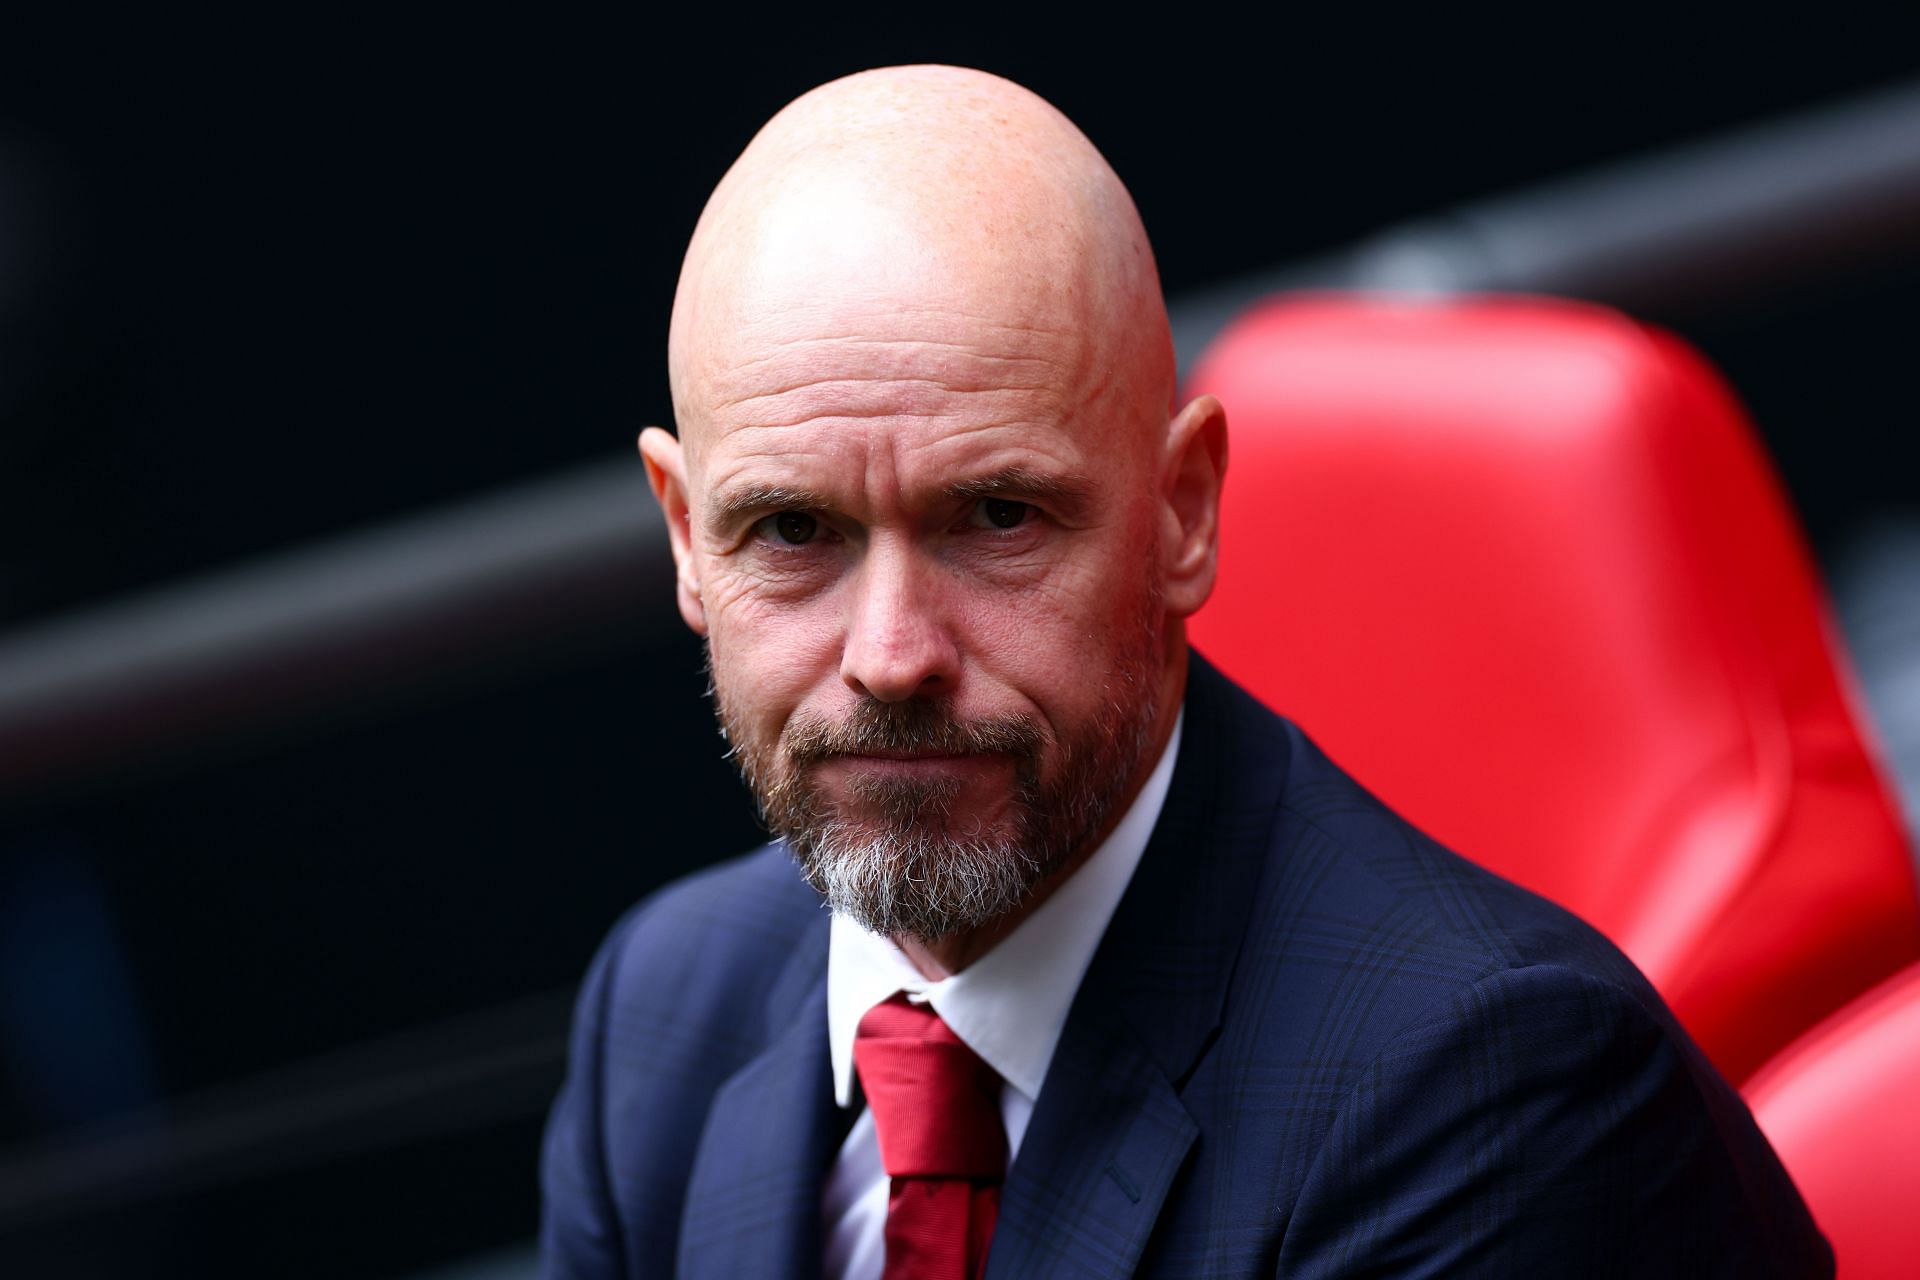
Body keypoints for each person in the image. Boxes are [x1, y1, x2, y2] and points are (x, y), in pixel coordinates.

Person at [539, 65, 1831, 1278]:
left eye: (997, 518)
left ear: (1184, 514)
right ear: (685, 538)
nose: (890, 657)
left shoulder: (1503, 1100)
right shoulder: (660, 1011)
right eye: (793, 532)